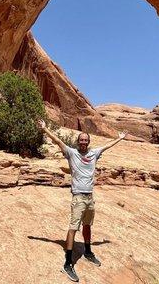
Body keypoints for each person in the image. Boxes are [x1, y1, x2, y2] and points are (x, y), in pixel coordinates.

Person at [38, 119, 127, 282]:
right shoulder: (72, 153)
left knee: (87, 225)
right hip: (78, 197)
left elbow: (107, 145)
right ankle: (67, 263)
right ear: (78, 142)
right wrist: (45, 129)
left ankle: (87, 251)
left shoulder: (94, 153)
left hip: (90, 197)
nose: (83, 142)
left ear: (88, 142)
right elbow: (58, 141)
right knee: (73, 228)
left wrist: (120, 138)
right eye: (81, 140)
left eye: (85, 140)